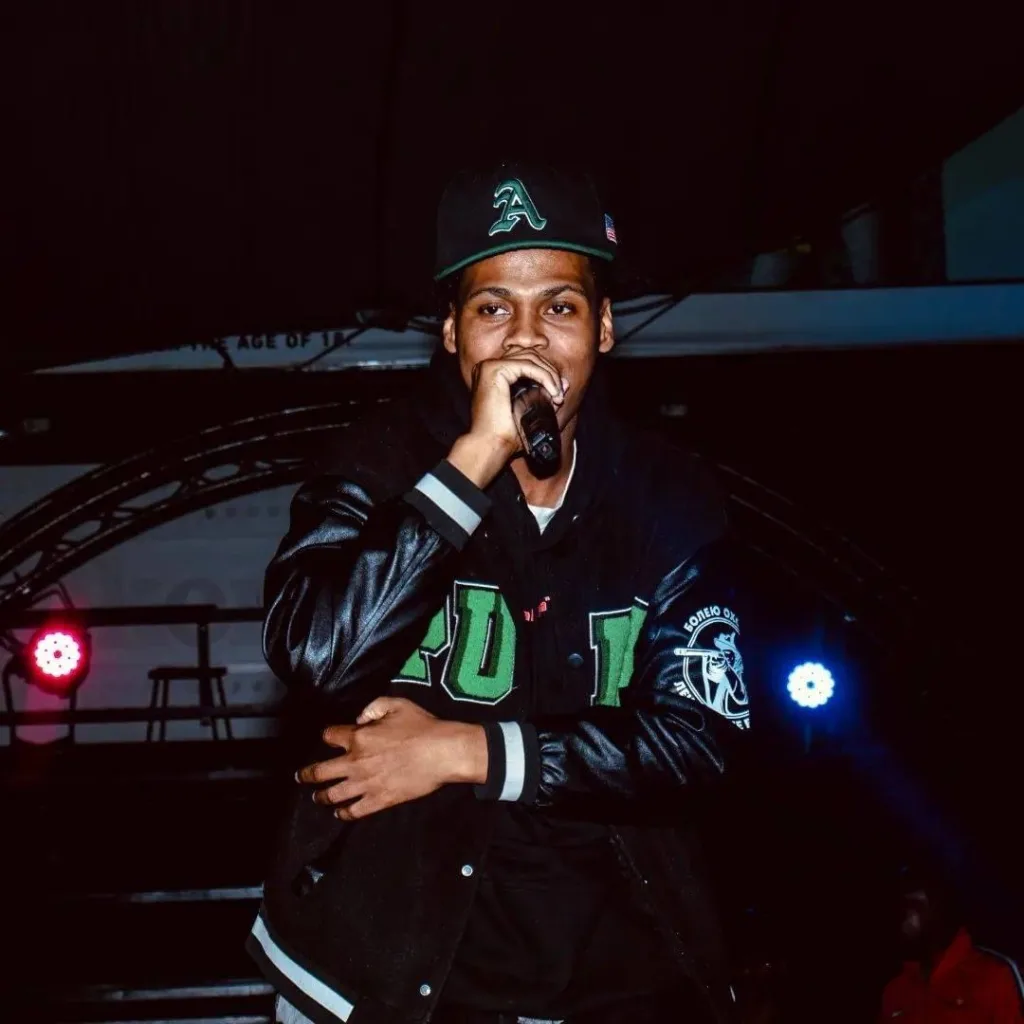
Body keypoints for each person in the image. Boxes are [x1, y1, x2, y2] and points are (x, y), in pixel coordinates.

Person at [247, 161, 755, 1024]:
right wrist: (471, 465)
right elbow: (317, 654)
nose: (526, 341)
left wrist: (465, 751)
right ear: (451, 333)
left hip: (616, 980)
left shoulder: (667, 495)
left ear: (603, 329)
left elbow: (701, 740)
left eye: (559, 307)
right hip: (382, 975)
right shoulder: (380, 461)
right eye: (493, 310)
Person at [878, 865, 1024, 1023]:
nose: (904, 917)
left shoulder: (995, 976)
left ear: (940, 908)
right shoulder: (895, 990)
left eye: (915, 905)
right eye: (901, 905)